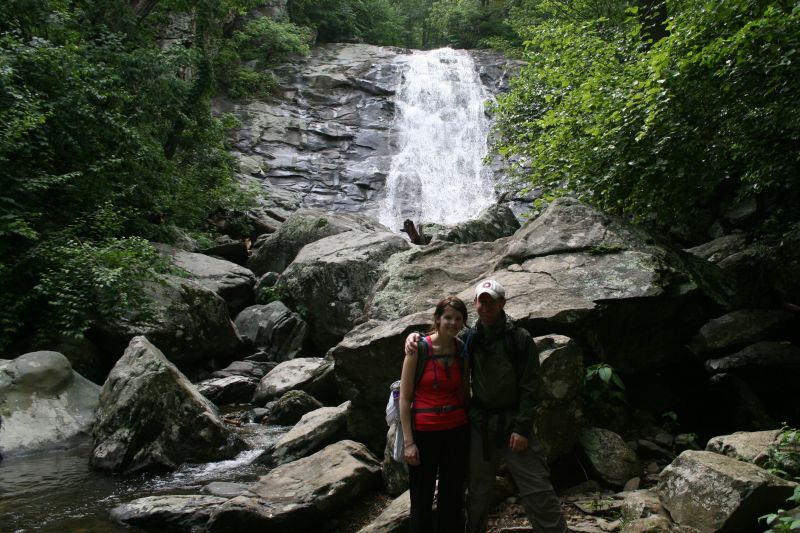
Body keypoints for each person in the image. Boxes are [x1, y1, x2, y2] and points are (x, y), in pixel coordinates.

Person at [406, 279, 567, 533]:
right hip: (481, 423)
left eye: (491, 302)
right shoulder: (470, 337)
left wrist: (522, 427)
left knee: (536, 487)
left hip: (514, 423)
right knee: (477, 492)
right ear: (475, 304)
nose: (486, 307)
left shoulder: (519, 338)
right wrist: (413, 336)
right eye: (482, 302)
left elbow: (531, 386)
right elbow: (441, 336)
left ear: (502, 303)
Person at [400, 296, 470, 533]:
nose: (453, 323)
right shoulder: (417, 349)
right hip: (424, 434)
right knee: (421, 499)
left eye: (458, 318)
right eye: (448, 317)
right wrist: (409, 443)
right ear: (438, 319)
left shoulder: (461, 349)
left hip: (456, 432)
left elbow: (464, 393)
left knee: (452, 497)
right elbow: (405, 398)